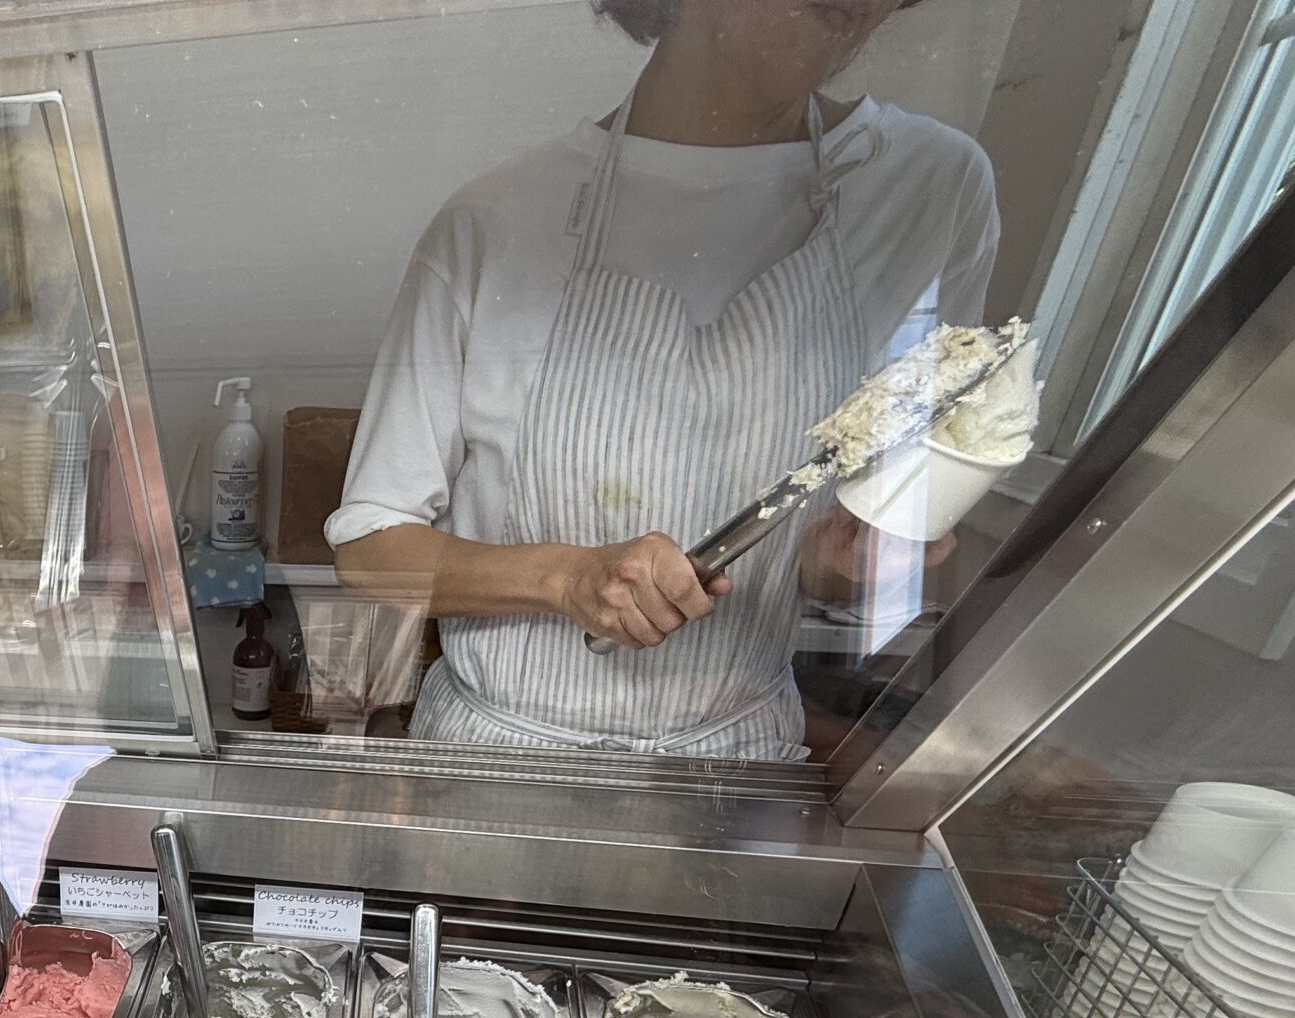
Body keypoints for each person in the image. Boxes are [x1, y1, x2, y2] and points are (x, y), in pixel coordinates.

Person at [327, 0, 998, 759]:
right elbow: (369, 554)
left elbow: (832, 560)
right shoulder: (497, 220)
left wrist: (842, 565)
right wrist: (567, 578)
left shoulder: (928, 188)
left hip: (736, 760)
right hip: (501, 753)